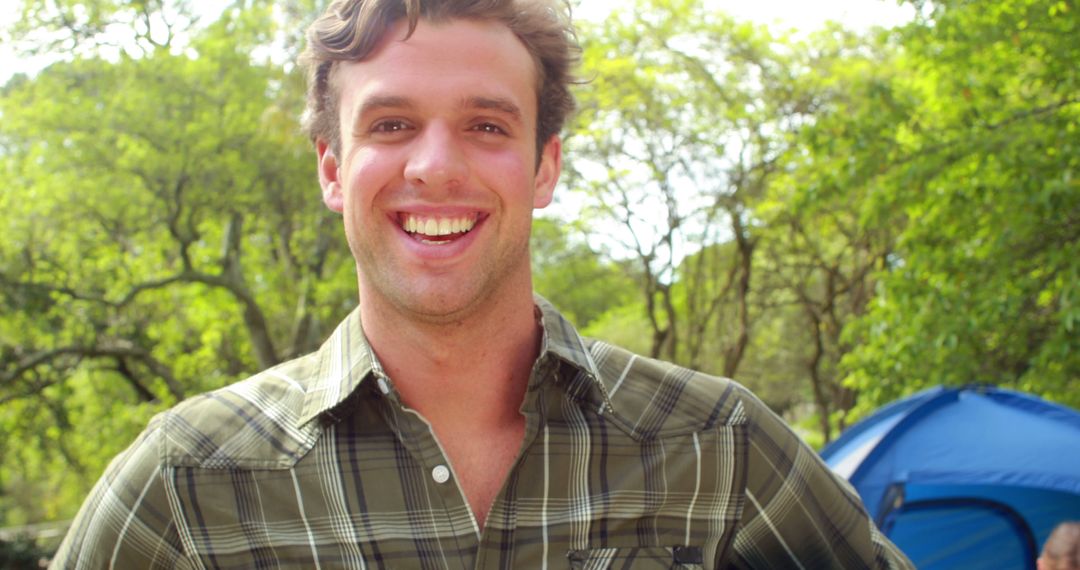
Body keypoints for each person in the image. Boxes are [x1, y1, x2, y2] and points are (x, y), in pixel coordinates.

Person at [51, 0, 913, 568]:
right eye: (391, 124)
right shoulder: (188, 482)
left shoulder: (719, 450)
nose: (434, 165)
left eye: (485, 125)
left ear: (544, 168)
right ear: (331, 169)